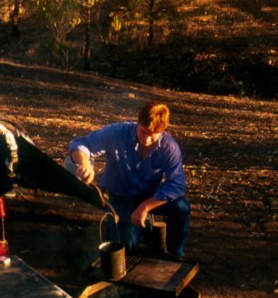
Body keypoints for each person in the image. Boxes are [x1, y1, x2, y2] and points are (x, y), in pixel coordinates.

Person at [67, 102, 190, 258]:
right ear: (138, 122)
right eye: (143, 132)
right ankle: (141, 229)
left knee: (181, 207)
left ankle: (175, 254)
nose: (146, 139)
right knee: (123, 249)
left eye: (153, 134)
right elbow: (80, 144)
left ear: (163, 131)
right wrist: (85, 163)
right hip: (120, 197)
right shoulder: (118, 132)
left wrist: (145, 207)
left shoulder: (169, 147)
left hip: (149, 196)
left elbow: (177, 185)